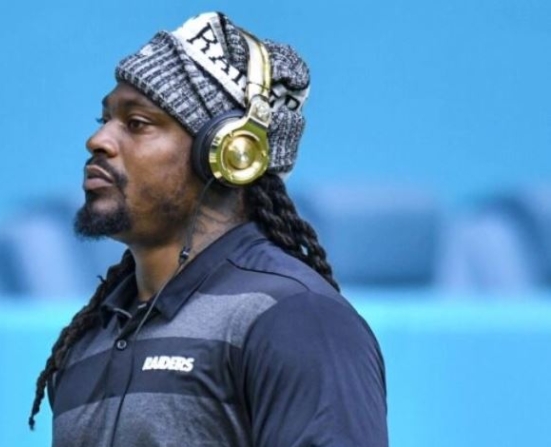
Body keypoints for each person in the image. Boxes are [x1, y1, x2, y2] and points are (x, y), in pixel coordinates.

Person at [29, 11, 388, 447]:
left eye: (136, 123)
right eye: (103, 118)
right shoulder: (89, 340)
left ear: (228, 155)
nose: (99, 140)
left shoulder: (295, 319)